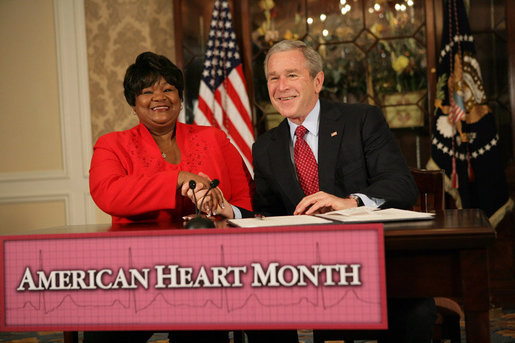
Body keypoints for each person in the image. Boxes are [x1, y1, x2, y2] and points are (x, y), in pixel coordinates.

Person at [249, 40, 436, 343]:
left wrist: (349, 203)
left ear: (317, 81)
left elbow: (402, 185)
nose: (281, 87)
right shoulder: (265, 147)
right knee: (255, 311)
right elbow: (268, 212)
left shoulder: (361, 120)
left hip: (374, 265)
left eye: (292, 75)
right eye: (273, 77)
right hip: (303, 273)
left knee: (415, 313)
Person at [88, 51, 253, 342]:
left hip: (207, 271)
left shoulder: (214, 138)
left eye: (168, 89)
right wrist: (178, 179)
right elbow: (109, 194)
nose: (159, 97)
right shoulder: (112, 145)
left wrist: (223, 207)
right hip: (137, 273)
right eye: (148, 91)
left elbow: (243, 201)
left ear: (179, 97)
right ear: (133, 102)